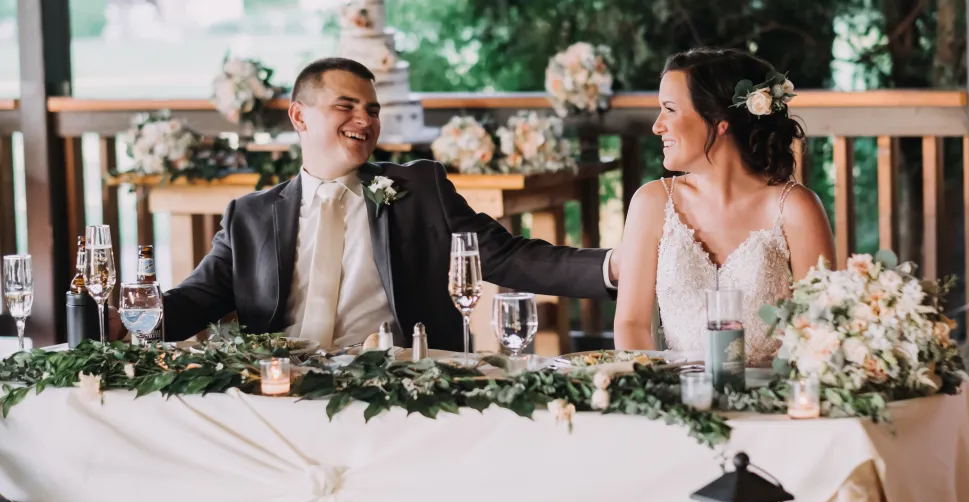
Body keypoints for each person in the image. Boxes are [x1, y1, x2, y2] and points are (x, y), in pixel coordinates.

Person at [148, 57, 618, 351]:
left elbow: (508, 256)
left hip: (393, 384)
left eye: (373, 110)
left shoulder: (418, 190)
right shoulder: (249, 216)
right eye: (345, 106)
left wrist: (616, 266)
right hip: (278, 389)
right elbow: (197, 299)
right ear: (299, 116)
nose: (365, 119)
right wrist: (128, 316)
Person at [613, 48, 835, 366]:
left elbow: (822, 326)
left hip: (773, 404)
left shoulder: (796, 208)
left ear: (719, 121)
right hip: (674, 400)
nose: (657, 126)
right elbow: (630, 324)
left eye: (670, 110)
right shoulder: (651, 204)